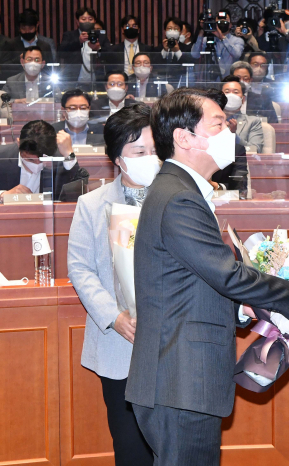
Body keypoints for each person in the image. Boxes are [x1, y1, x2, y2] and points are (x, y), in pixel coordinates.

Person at [124, 86, 289, 465]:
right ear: (184, 137)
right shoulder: (179, 196)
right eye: (218, 123)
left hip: (179, 380)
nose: (229, 130)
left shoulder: (180, 189)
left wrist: (240, 312)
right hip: (179, 380)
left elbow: (191, 280)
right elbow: (228, 276)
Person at [67, 104, 159, 466]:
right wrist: (115, 317)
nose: (150, 158)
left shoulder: (178, 199)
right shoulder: (91, 205)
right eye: (139, 152)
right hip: (119, 345)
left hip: (170, 344)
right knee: (131, 449)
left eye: (155, 150)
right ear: (117, 159)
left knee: (174, 446)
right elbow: (80, 269)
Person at [0, 120, 86, 201]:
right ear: (19, 144)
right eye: (30, 160)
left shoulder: (59, 158)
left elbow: (75, 195)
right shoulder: (2, 156)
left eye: (42, 160)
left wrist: (69, 154)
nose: (37, 165)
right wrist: (3, 195)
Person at [58, 7, 111, 85]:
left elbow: (111, 54)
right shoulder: (69, 35)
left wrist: (98, 48)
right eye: (83, 19)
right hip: (74, 82)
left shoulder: (101, 36)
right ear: (77, 22)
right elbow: (61, 53)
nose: (87, 22)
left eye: (90, 19)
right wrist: (78, 41)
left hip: (98, 82)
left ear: (94, 21)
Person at [0, 9, 54, 79]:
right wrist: (19, 59)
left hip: (40, 82)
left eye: (31, 28)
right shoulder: (10, 44)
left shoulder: (45, 46)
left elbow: (49, 69)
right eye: (23, 28)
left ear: (36, 26)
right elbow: (3, 67)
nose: (27, 31)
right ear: (19, 28)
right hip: (16, 83)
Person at [191, 10, 244, 77]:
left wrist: (222, 37)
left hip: (229, 79)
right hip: (210, 79)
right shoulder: (207, 39)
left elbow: (237, 54)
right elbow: (195, 54)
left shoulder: (237, 40)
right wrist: (202, 30)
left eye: (224, 20)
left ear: (230, 25)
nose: (221, 22)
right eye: (219, 20)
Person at [220, 76, 264, 153]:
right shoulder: (210, 120)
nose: (231, 96)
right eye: (227, 92)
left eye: (235, 92)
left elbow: (255, 150)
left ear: (243, 99)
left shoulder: (253, 122)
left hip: (240, 163)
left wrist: (233, 135)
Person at [153, 17, 195, 88]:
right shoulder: (158, 48)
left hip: (180, 86)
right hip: (161, 86)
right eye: (169, 28)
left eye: (176, 29)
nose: (172, 31)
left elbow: (189, 66)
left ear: (180, 32)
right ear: (165, 32)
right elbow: (155, 66)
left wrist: (177, 51)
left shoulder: (187, 48)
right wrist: (165, 51)